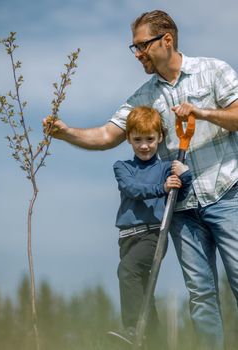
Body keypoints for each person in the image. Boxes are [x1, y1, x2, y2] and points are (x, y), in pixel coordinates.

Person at [43, 9, 238, 349]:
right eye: (133, 47)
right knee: (201, 294)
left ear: (167, 40)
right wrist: (65, 133)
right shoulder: (144, 96)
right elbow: (107, 135)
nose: (137, 54)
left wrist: (200, 111)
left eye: (141, 46)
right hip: (180, 210)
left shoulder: (212, 71)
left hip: (227, 196)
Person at [111, 105, 191, 346]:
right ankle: (154, 341)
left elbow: (181, 190)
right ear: (128, 139)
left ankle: (133, 329)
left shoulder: (166, 168)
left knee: (126, 270)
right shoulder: (122, 167)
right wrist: (161, 188)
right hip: (127, 237)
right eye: (137, 139)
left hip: (153, 235)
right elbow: (132, 189)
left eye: (149, 139)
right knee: (144, 292)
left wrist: (184, 175)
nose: (144, 145)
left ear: (160, 138)